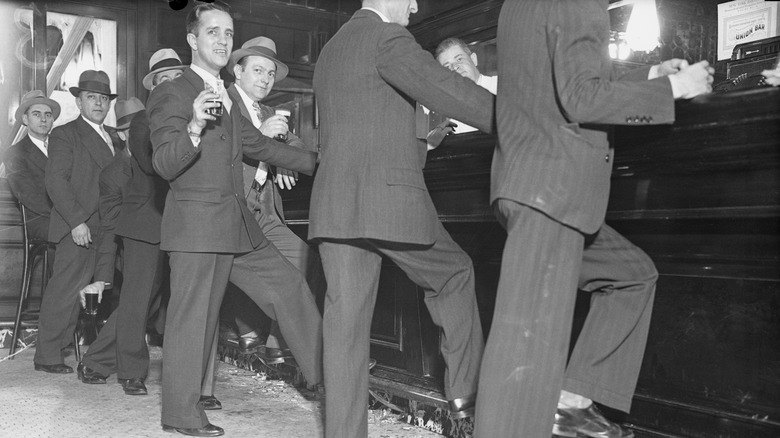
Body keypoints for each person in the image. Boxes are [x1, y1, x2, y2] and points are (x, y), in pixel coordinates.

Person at [474, 1, 715, 437]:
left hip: (534, 185)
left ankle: (571, 402)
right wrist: (674, 89)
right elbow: (581, 96)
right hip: (553, 190)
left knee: (632, 275)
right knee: (524, 362)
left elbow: (559, 76)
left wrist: (649, 76)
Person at [311, 1, 494, 436]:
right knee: (455, 275)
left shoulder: (332, 48)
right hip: (388, 201)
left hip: (335, 206)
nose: (413, 6)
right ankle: (469, 405)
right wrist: (523, 117)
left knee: (345, 331)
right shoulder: (387, 37)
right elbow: (448, 88)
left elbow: (370, 118)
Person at [147, 2, 321, 436]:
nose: (223, 40)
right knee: (194, 320)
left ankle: (331, 376)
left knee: (289, 286)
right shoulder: (171, 92)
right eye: (214, 32)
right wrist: (192, 127)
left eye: (228, 33)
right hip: (196, 227)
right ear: (192, 39)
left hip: (237, 223)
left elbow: (261, 147)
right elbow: (164, 165)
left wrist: (321, 163)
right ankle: (181, 415)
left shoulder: (226, 92)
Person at [224, 35, 325, 362]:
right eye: (258, 70)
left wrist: (282, 158)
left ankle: (276, 343)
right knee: (242, 276)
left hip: (265, 209)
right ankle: (253, 333)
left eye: (270, 73)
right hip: (232, 208)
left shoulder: (268, 110)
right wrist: (262, 135)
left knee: (302, 259)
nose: (265, 79)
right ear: (238, 73)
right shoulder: (223, 102)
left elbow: (297, 146)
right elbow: (215, 153)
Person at [75, 94, 167, 396]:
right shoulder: (113, 175)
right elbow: (110, 228)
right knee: (136, 303)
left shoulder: (159, 158)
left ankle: (96, 361)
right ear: (124, 134)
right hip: (133, 243)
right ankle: (130, 372)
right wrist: (103, 277)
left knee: (146, 304)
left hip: (169, 234)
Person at [33, 70, 119, 375]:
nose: (98, 103)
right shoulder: (65, 134)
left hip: (107, 226)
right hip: (79, 225)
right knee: (66, 292)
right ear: (79, 102)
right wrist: (77, 222)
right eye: (91, 97)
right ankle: (47, 355)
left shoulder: (114, 137)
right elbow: (55, 181)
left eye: (103, 98)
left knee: (101, 290)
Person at [4, 90, 61, 241]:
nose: (43, 119)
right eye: (36, 114)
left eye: (48, 115)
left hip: (66, 215)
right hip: (40, 220)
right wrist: (67, 215)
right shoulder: (15, 153)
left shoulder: (62, 148)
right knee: (69, 236)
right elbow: (31, 196)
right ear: (25, 119)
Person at [434, 37, 497, 134]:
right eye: (447, 66)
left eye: (459, 59)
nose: (455, 67)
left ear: (474, 59)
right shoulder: (447, 112)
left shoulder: (501, 86)